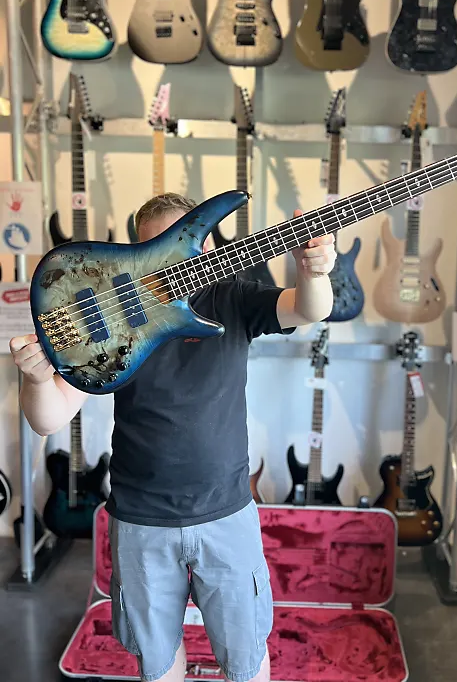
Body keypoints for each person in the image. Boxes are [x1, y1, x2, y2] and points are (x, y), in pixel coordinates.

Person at [10, 193, 336, 682]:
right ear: (134, 258)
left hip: (226, 512)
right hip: (141, 519)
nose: (174, 269)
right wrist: (36, 379)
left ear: (206, 245)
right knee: (157, 659)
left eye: (185, 248)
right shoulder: (114, 320)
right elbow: (48, 417)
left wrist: (313, 271)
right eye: (155, 254)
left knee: (245, 656)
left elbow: (307, 308)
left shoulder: (231, 298)